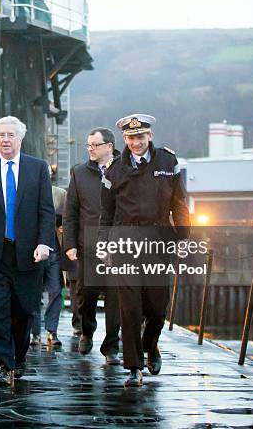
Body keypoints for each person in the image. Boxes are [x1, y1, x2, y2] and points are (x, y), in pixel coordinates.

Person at [0, 116, 55, 387]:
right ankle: (4, 365)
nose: (5, 139)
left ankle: (18, 356)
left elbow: (46, 211)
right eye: (1, 135)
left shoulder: (38, 168)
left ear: (20, 139)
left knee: (25, 310)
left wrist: (44, 242)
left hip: (28, 253)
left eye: (10, 135)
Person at [100, 114, 189, 387]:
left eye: (140, 137)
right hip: (125, 242)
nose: (136, 142)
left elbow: (180, 204)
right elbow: (107, 213)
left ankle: (151, 344)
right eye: (130, 138)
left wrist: (184, 237)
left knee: (157, 306)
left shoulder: (168, 162)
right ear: (124, 139)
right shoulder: (114, 170)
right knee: (130, 308)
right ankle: (134, 368)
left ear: (149, 136)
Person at [63, 128, 121, 365]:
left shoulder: (124, 171)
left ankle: (111, 347)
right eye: (88, 145)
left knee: (115, 299)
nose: (90, 149)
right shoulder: (79, 173)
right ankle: (87, 331)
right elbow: (70, 212)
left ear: (109, 146)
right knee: (86, 294)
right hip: (89, 246)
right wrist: (70, 244)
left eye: (95, 145)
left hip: (118, 247)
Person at [30, 179, 66, 347]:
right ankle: (34, 333)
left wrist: (63, 226)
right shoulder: (26, 192)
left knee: (56, 291)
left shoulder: (59, 194)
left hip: (54, 250)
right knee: (33, 293)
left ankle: (52, 331)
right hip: (33, 250)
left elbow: (68, 215)